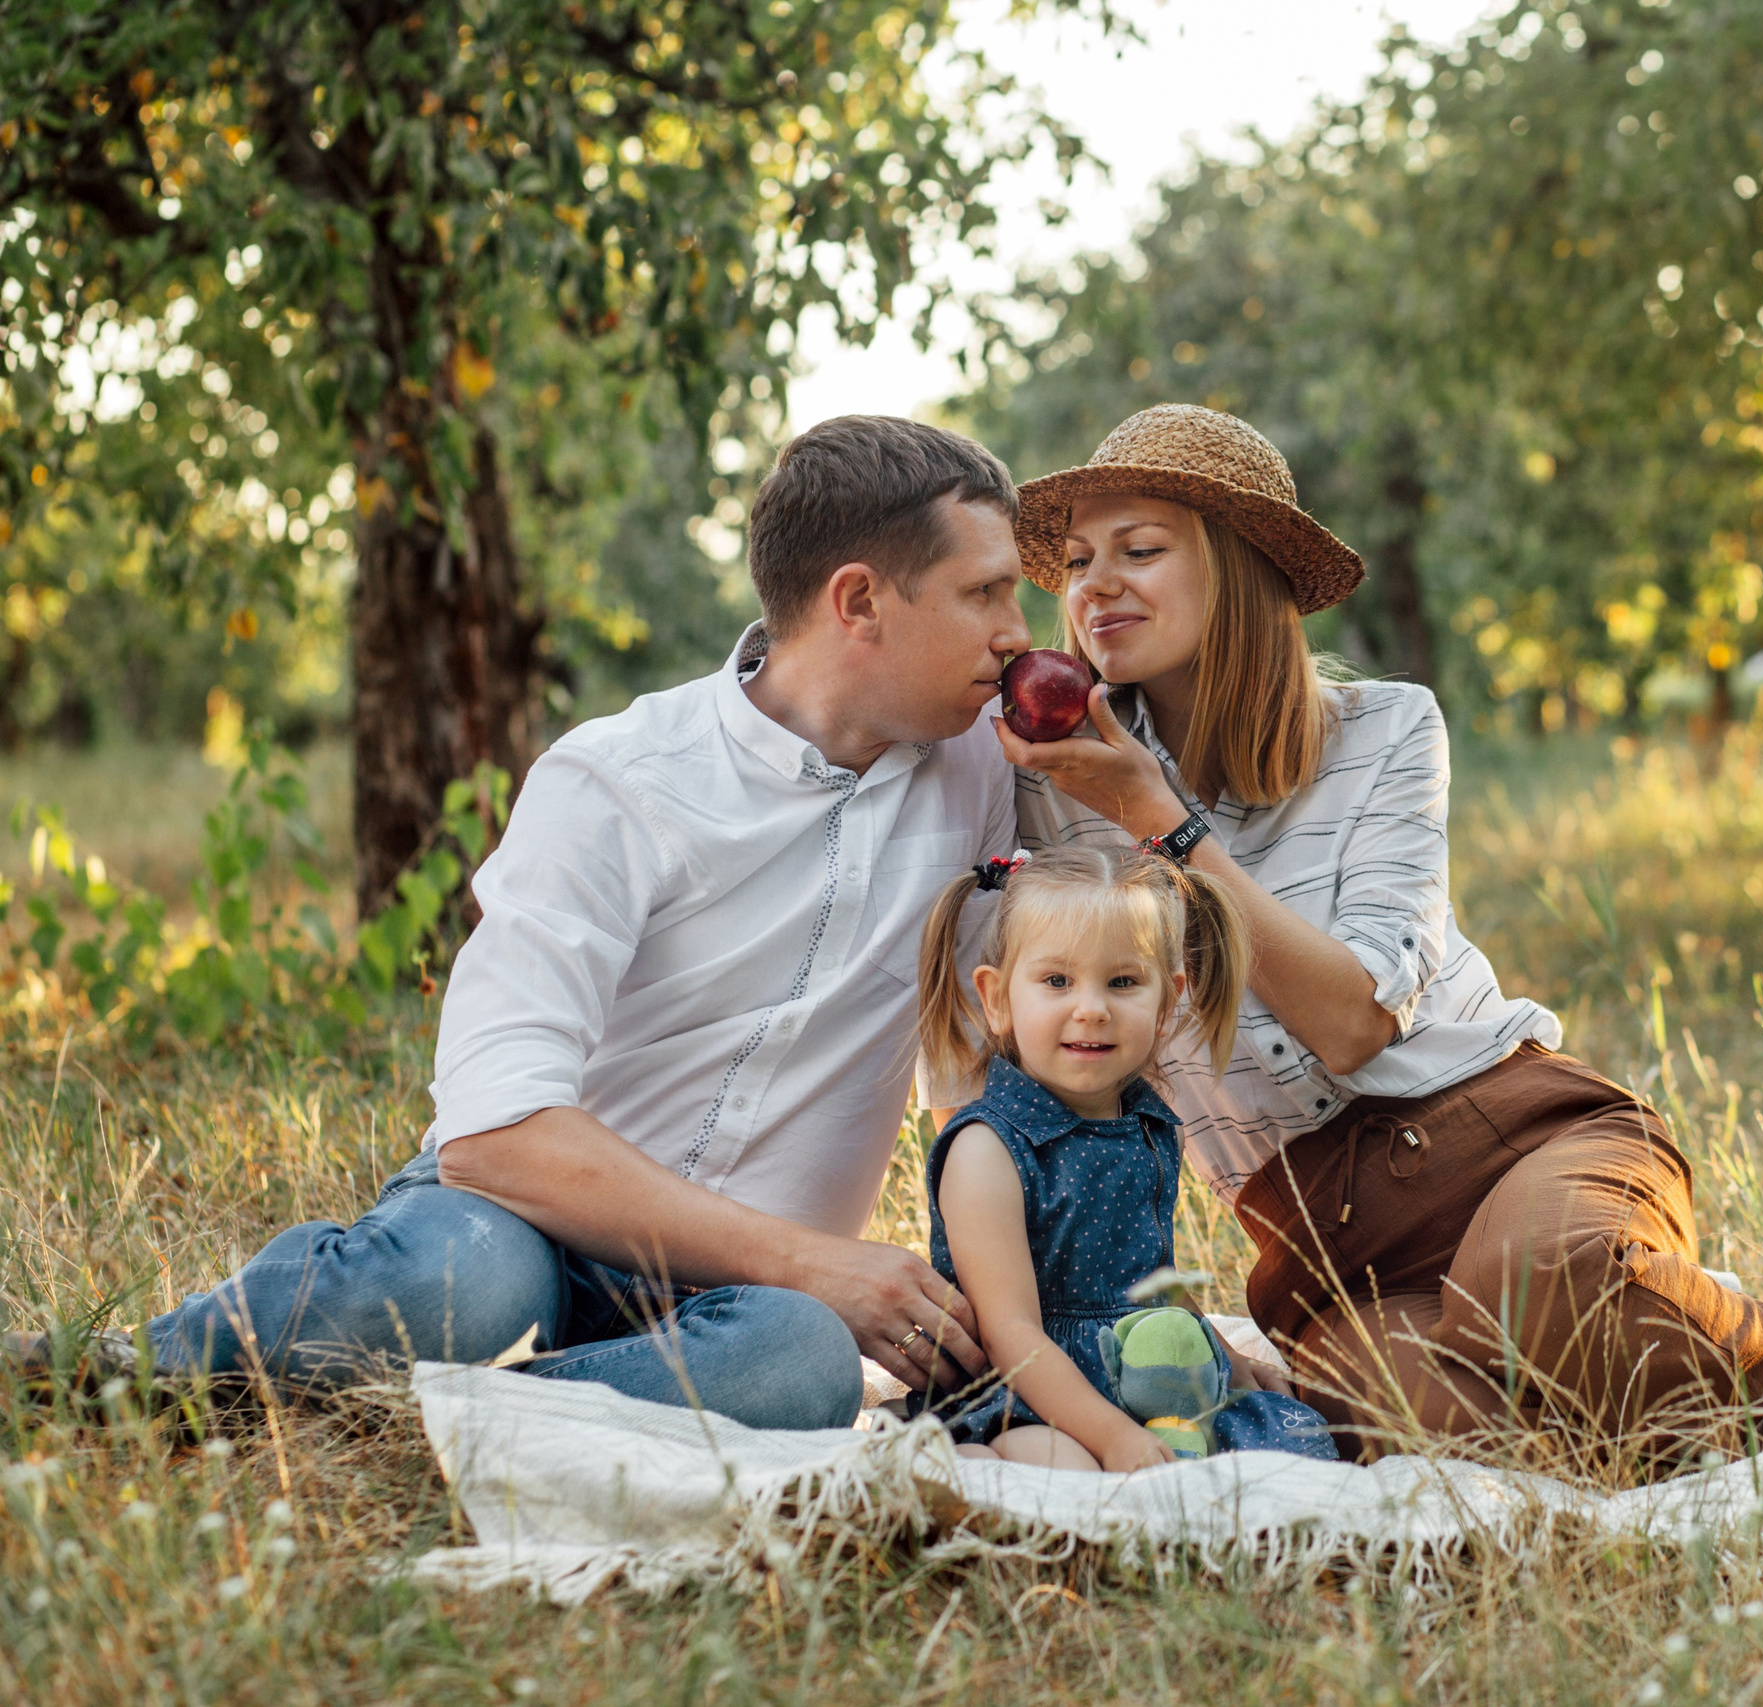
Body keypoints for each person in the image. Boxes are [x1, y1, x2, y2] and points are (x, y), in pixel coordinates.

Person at [9, 416, 1029, 1430]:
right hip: (521, 1226)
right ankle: (135, 1364)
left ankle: (400, 1413)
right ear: (859, 600)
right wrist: (818, 1264)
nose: (1018, 632)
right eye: (983, 592)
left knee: (800, 1365)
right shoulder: (618, 781)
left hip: (732, 1308)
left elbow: (1032, 1013)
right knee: (463, 1285)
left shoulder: (992, 761)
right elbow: (491, 1139)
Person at [992, 404, 1763, 1460]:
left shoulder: (1385, 730)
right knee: (1446, 1432)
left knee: (1545, 1291)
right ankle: (1668, 1323)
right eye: (1080, 560)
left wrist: (1164, 829)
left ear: (1241, 574)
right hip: (1322, 1238)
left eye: (1140, 551)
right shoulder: (1050, 788)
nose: (1094, 585)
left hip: (1500, 1135)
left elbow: (1356, 1023)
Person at [903, 844, 1337, 1469]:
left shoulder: (1149, 1125)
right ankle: (968, 1465)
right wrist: (1112, 1437)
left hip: (1146, 1372)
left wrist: (1223, 1357)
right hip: (1033, 1389)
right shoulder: (987, 1148)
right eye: (1056, 981)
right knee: (1064, 1466)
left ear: (1167, 1004)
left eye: (1124, 982)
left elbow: (1151, 1284)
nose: (1092, 1008)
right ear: (996, 998)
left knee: (1295, 1441)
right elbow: (1011, 1334)